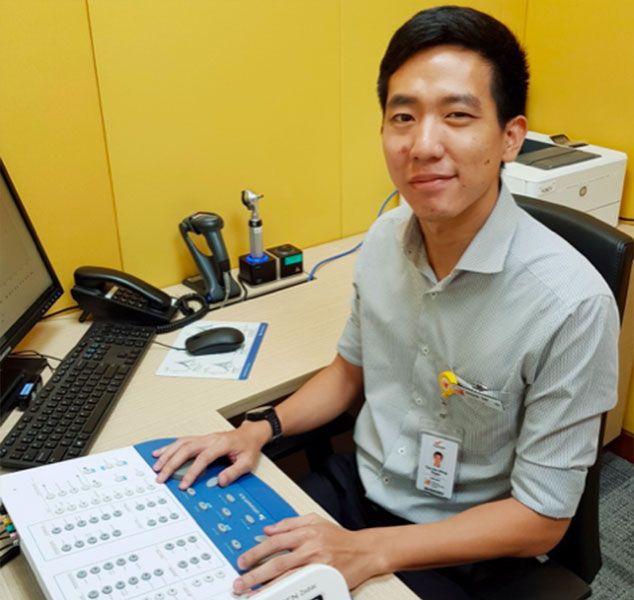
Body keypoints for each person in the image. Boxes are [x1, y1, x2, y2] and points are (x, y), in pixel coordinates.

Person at [152, 6, 619, 598]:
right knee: (204, 567)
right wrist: (259, 427)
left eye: (457, 115)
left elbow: (541, 519)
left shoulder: (572, 305)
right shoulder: (384, 238)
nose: (423, 144)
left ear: (510, 137)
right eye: (403, 117)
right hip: (358, 491)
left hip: (464, 546)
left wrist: (368, 551)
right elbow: (350, 370)